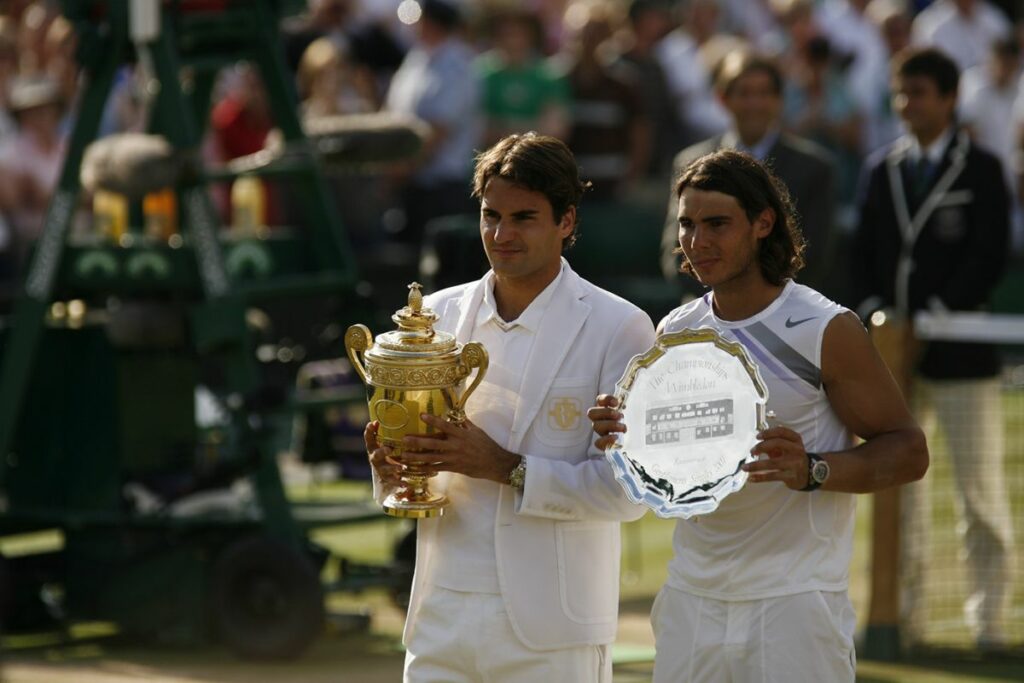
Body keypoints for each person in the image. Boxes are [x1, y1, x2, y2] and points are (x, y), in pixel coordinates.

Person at [591, 149, 929, 681]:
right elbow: (672, 465)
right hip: (691, 598)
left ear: (762, 224)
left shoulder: (825, 327)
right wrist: (625, 437)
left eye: (717, 224)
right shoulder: (675, 330)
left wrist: (814, 470)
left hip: (794, 604)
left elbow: (909, 450)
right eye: (686, 225)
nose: (697, 242)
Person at [365, 132, 655, 682]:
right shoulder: (435, 316)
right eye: (490, 215)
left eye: (524, 218)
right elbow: (416, 471)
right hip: (440, 617)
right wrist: (392, 470)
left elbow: (627, 491)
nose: (501, 235)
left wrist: (502, 466)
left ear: (566, 221)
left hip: (552, 634)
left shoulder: (621, 326)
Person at [853, 46, 1013, 650]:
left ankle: (991, 624)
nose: (907, 104)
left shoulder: (984, 168)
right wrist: (878, 311)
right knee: (900, 495)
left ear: (948, 99)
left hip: (962, 354)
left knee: (980, 492)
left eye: (918, 92)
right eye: (901, 92)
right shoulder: (881, 168)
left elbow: (990, 251)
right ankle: (903, 618)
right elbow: (865, 251)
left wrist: (941, 313)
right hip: (892, 360)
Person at [659, 50, 839, 300]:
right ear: (722, 98)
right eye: (744, 93)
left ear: (779, 100)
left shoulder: (814, 168)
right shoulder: (690, 161)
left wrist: (757, 302)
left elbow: (815, 255)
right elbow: (675, 249)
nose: (754, 103)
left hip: (785, 314)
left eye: (764, 93)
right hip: (708, 311)